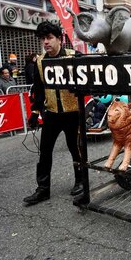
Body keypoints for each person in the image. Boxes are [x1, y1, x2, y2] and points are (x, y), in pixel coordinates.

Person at [23, 21, 83, 205]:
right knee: (45, 151)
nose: (46, 42)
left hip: (73, 113)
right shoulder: (40, 61)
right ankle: (43, 189)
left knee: (76, 149)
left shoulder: (75, 57)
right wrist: (34, 112)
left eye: (49, 38)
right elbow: (39, 89)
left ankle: (81, 181)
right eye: (43, 39)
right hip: (52, 114)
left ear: (60, 39)